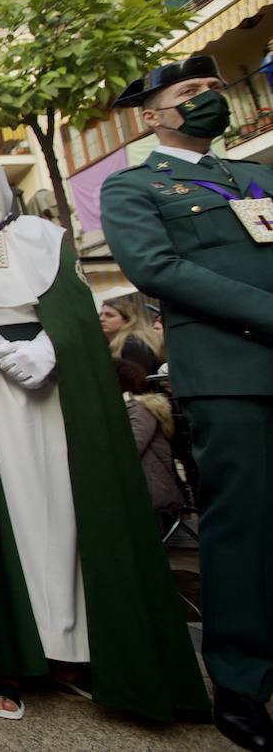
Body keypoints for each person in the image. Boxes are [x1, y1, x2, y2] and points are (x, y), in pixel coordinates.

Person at [0, 46, 206, 724]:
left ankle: (79, 651)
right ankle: (8, 654)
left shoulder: (44, 235)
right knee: (1, 515)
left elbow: (70, 310)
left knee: (67, 515)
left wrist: (50, 348)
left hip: (54, 398)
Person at [102, 54, 273, 749]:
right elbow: (157, 268)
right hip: (232, 371)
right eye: (189, 92)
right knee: (245, 531)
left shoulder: (259, 178)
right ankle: (240, 685)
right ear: (155, 116)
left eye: (211, 88)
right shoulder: (135, 187)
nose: (208, 98)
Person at [113, 358, 183, 519]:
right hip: (136, 487)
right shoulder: (129, 409)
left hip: (150, 489)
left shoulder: (139, 409)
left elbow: (129, 449)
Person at [98, 299, 164, 375]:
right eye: (100, 315)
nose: (101, 319)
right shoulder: (119, 343)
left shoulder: (132, 345)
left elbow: (137, 381)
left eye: (109, 315)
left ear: (128, 320)